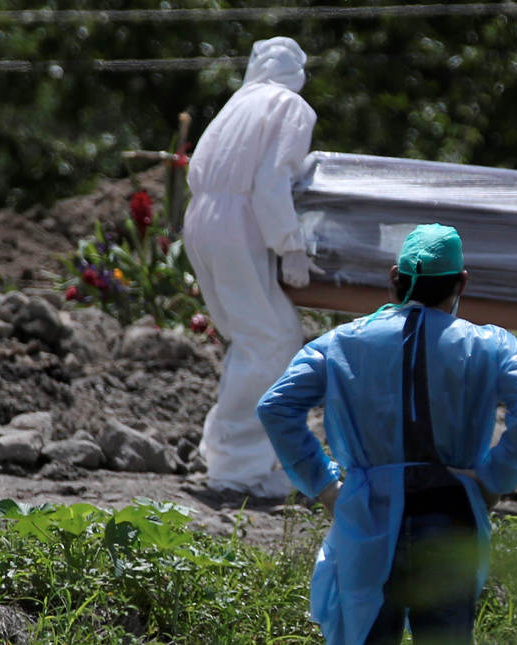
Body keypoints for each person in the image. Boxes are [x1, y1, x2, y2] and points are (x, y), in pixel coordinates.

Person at [257, 224, 517, 645]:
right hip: (450, 513)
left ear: (394, 278)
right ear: (461, 283)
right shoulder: (489, 344)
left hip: (368, 517)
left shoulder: (340, 343)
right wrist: (494, 479)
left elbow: (276, 406)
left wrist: (324, 486)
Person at [183, 36, 322, 498]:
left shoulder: (237, 103)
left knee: (255, 339)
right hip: (237, 225)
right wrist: (290, 244)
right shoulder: (290, 106)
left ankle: (242, 457)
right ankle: (238, 469)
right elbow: (270, 183)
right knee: (270, 340)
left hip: (201, 219)